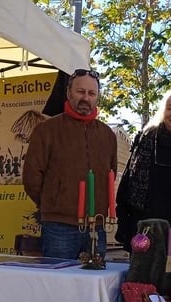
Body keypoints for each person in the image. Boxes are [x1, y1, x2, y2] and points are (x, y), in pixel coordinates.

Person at [23, 69, 118, 259]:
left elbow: (111, 173)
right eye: (80, 92)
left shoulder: (107, 135)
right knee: (58, 277)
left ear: (97, 97)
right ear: (68, 93)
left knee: (94, 276)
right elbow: (32, 177)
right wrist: (53, 203)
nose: (86, 98)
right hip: (59, 227)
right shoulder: (46, 130)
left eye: (91, 93)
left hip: (96, 227)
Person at [115, 89, 171, 251]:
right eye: (169, 108)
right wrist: (123, 223)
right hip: (143, 224)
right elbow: (127, 183)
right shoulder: (146, 137)